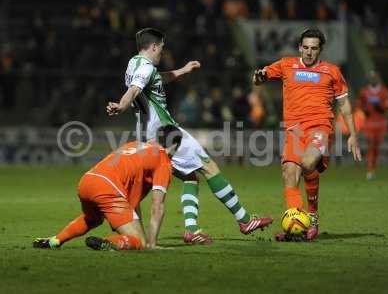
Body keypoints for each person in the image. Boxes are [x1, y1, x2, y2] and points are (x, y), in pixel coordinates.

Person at [107, 27, 273, 244]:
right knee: (208, 165)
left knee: (189, 176)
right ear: (154, 46)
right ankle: (244, 220)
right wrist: (121, 105)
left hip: (147, 136)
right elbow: (134, 91)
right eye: (162, 48)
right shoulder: (146, 68)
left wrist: (183, 71)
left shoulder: (134, 64)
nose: (162, 53)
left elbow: (154, 80)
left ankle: (192, 230)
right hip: (165, 132)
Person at [253, 28, 362, 241]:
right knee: (289, 172)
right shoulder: (286, 64)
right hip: (294, 130)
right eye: (306, 47)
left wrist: (353, 134)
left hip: (320, 128)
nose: (309, 52)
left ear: (320, 50)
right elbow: (259, 78)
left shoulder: (331, 71)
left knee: (308, 163)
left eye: (314, 48)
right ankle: (296, 226)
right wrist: (259, 76)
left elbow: (345, 105)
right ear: (299, 47)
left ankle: (312, 215)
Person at [33, 125, 182, 251]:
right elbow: (157, 206)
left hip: (87, 181)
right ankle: (108, 243)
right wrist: (151, 243)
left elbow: (132, 201)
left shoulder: (135, 145)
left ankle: (55, 241)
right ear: (175, 145)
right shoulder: (163, 161)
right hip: (106, 187)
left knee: (94, 218)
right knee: (140, 242)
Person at [356, 70, 388, 180]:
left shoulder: (384, 91)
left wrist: (381, 108)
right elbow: (359, 105)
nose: (372, 79)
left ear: (377, 78)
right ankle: (369, 170)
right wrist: (364, 110)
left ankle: (373, 168)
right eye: (370, 77)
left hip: (381, 124)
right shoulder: (364, 92)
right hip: (369, 124)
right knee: (371, 146)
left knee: (376, 148)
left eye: (374, 77)